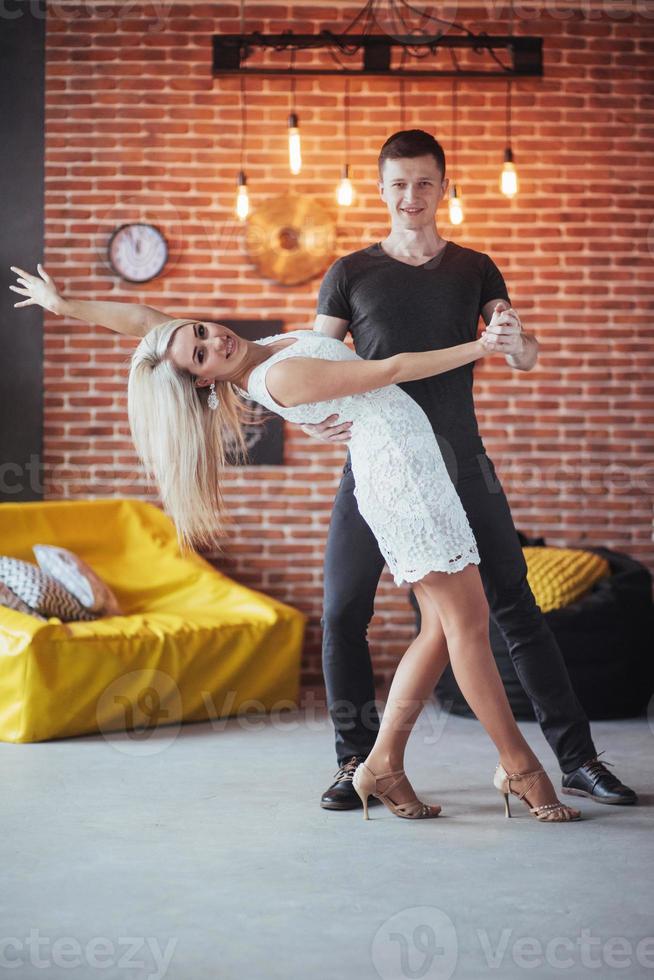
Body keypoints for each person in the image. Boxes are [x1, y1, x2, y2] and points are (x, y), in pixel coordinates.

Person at [10, 263, 583, 823]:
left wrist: (66, 307)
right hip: (402, 480)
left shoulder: (256, 350)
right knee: (467, 624)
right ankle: (519, 766)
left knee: (444, 626)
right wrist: (482, 348)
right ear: (204, 380)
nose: (214, 339)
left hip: (417, 468)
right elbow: (394, 368)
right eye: (202, 354)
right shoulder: (275, 377)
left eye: (203, 330)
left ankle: (382, 765)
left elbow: (144, 320)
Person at [299, 129, 637, 811]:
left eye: (424, 182)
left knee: (515, 604)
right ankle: (356, 764)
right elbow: (312, 363)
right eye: (398, 183)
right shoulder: (350, 272)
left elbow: (522, 352)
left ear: (444, 187)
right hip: (379, 466)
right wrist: (303, 418)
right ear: (381, 189)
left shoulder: (475, 267)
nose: (411, 196)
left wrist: (521, 342)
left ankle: (576, 759)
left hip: (461, 459)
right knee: (342, 610)